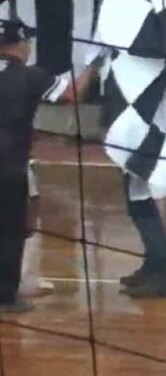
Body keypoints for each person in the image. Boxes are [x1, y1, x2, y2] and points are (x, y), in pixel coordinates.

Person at [0, 19, 96, 312]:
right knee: (11, 232)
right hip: (10, 166)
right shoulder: (30, 76)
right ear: (20, 45)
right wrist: (94, 64)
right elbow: (71, 94)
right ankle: (5, 298)